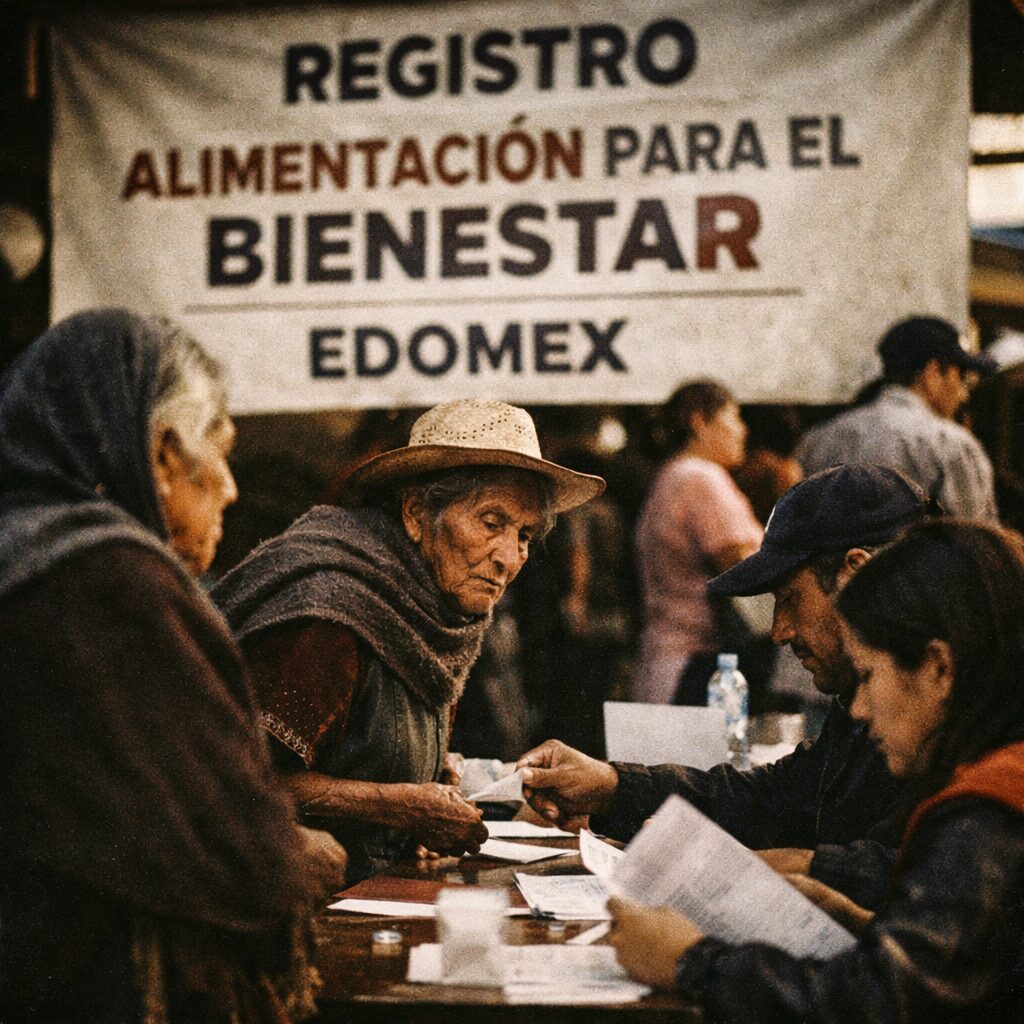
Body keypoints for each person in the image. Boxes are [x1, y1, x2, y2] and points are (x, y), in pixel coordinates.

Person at [0, 309, 343, 1023]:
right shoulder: (110, 580)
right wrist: (289, 854)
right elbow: (237, 856)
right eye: (222, 452)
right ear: (161, 456)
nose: (232, 489)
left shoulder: (23, 554)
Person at [607, 519, 1024, 1023]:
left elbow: (881, 1005)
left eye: (869, 676)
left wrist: (692, 962)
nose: (861, 708)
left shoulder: (989, 813)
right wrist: (858, 922)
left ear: (939, 669)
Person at [212, 398, 604, 880]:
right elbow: (239, 780)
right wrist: (398, 806)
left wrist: (440, 781)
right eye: (491, 523)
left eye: (523, 534)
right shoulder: (332, 616)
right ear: (417, 512)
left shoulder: (433, 611)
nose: (508, 556)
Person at [519, 464, 932, 909]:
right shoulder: (870, 693)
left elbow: (936, 874)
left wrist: (782, 866)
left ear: (855, 573)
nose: (779, 631)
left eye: (790, 599)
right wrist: (614, 785)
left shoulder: (964, 699)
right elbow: (776, 799)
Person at [633, 380, 763, 703]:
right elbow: (746, 569)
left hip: (662, 661)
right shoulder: (701, 478)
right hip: (696, 667)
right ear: (699, 421)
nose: (742, 430)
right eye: (734, 417)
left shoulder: (670, 476)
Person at [796, 316, 998, 519]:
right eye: (961, 376)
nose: (963, 395)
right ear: (933, 372)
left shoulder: (818, 439)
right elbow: (977, 545)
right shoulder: (951, 445)